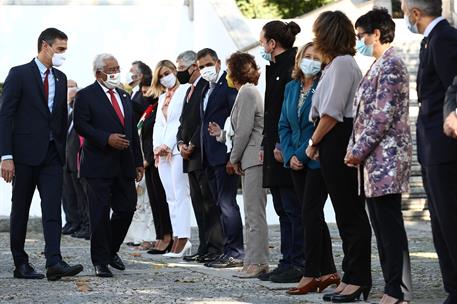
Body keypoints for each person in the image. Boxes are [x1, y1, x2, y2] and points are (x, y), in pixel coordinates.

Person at [0, 28, 83, 281]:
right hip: (23, 156)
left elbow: (58, 118)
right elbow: (5, 115)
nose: (63, 55)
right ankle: (20, 263)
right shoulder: (19, 74)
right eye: (60, 49)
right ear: (45, 46)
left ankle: (54, 261)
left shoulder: (60, 77)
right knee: (21, 210)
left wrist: (61, 151)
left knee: (52, 210)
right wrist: (6, 156)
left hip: (51, 156)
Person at [345, 8, 413, 304]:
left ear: (376, 34)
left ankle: (396, 290)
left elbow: (381, 117)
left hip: (386, 160)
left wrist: (356, 152)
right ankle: (392, 288)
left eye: (362, 36)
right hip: (373, 164)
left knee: (389, 229)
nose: (360, 41)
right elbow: (362, 115)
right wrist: (354, 150)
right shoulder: (378, 64)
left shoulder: (391, 65)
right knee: (382, 229)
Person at [306, 11, 372, 302]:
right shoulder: (334, 65)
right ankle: (350, 276)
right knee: (344, 213)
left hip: (338, 137)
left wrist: (313, 142)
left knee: (350, 212)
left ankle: (357, 278)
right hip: (332, 140)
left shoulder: (344, 64)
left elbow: (331, 113)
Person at [402, 1, 457, 302]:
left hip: (445, 146)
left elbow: (454, 86)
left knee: (449, 218)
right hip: (431, 145)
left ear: (415, 13)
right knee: (439, 220)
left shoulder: (445, 38)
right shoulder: (431, 41)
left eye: (404, 9)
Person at [74, 53, 144, 277]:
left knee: (127, 208)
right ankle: (100, 261)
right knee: (100, 213)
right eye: (111, 69)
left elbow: (132, 131)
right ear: (98, 73)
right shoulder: (85, 95)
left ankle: (111, 249)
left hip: (124, 164)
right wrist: (106, 138)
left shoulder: (124, 96)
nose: (116, 72)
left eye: (117, 67)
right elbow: (81, 125)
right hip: (98, 164)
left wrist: (137, 160)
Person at [278, 42, 339, 296]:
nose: (311, 61)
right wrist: (291, 155)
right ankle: (329, 271)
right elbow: (284, 124)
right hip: (295, 161)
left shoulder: (323, 84)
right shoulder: (291, 87)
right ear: (299, 59)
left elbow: (320, 124)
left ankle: (311, 272)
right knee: (310, 216)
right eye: (307, 57)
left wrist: (302, 153)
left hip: (315, 159)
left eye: (316, 57)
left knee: (310, 215)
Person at [209, 52, 268, 278]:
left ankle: (257, 261)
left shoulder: (248, 92)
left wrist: (233, 159)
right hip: (249, 158)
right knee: (250, 212)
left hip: (252, 158)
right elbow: (239, 131)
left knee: (254, 214)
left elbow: (244, 131)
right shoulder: (245, 92)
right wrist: (222, 135)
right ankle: (253, 260)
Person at [258, 20, 305, 283]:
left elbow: (287, 112)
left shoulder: (291, 66)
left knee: (292, 208)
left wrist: (279, 145)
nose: (262, 46)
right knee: (282, 208)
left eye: (263, 41)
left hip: (285, 148)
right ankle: (287, 259)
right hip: (274, 147)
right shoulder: (276, 67)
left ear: (272, 43)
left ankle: (298, 261)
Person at [175, 50, 224, 263]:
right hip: (188, 155)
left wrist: (192, 143)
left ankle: (215, 246)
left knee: (209, 204)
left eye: (181, 69)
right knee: (198, 204)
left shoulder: (205, 87)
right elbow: (183, 122)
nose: (179, 74)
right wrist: (180, 143)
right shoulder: (189, 91)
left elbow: (203, 122)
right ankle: (204, 245)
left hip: (201, 152)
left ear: (193, 67)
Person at [197, 48, 244, 268]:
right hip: (209, 156)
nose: (205, 69)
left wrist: (231, 155)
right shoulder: (207, 90)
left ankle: (235, 251)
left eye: (208, 64)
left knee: (227, 204)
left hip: (224, 154)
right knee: (218, 205)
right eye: (200, 66)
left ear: (217, 63)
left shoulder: (228, 85)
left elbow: (235, 118)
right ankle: (226, 250)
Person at [151, 60, 192, 258]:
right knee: (170, 197)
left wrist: (168, 144)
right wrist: (156, 147)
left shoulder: (185, 91)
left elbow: (180, 121)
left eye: (167, 73)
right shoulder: (161, 98)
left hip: (176, 149)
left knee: (180, 193)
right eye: (160, 76)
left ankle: (184, 237)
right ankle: (177, 235)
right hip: (162, 153)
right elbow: (159, 124)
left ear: (175, 71)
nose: (164, 78)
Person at [138, 76, 174, 255]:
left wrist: (149, 158)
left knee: (162, 200)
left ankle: (168, 237)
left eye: (148, 88)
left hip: (157, 159)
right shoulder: (151, 108)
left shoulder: (162, 106)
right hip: (149, 160)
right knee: (155, 201)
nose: (145, 92)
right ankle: (161, 235)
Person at [64, 79, 90, 240]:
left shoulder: (81, 114)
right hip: (69, 161)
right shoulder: (70, 115)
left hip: (81, 161)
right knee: (75, 196)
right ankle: (79, 224)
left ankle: (88, 226)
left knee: (85, 196)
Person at [61, 79, 83, 236]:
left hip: (76, 158)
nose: (70, 89)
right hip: (63, 158)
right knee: (66, 193)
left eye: (73, 86)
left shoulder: (79, 109)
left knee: (80, 194)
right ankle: (71, 221)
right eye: (68, 87)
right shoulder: (62, 109)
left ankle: (82, 223)